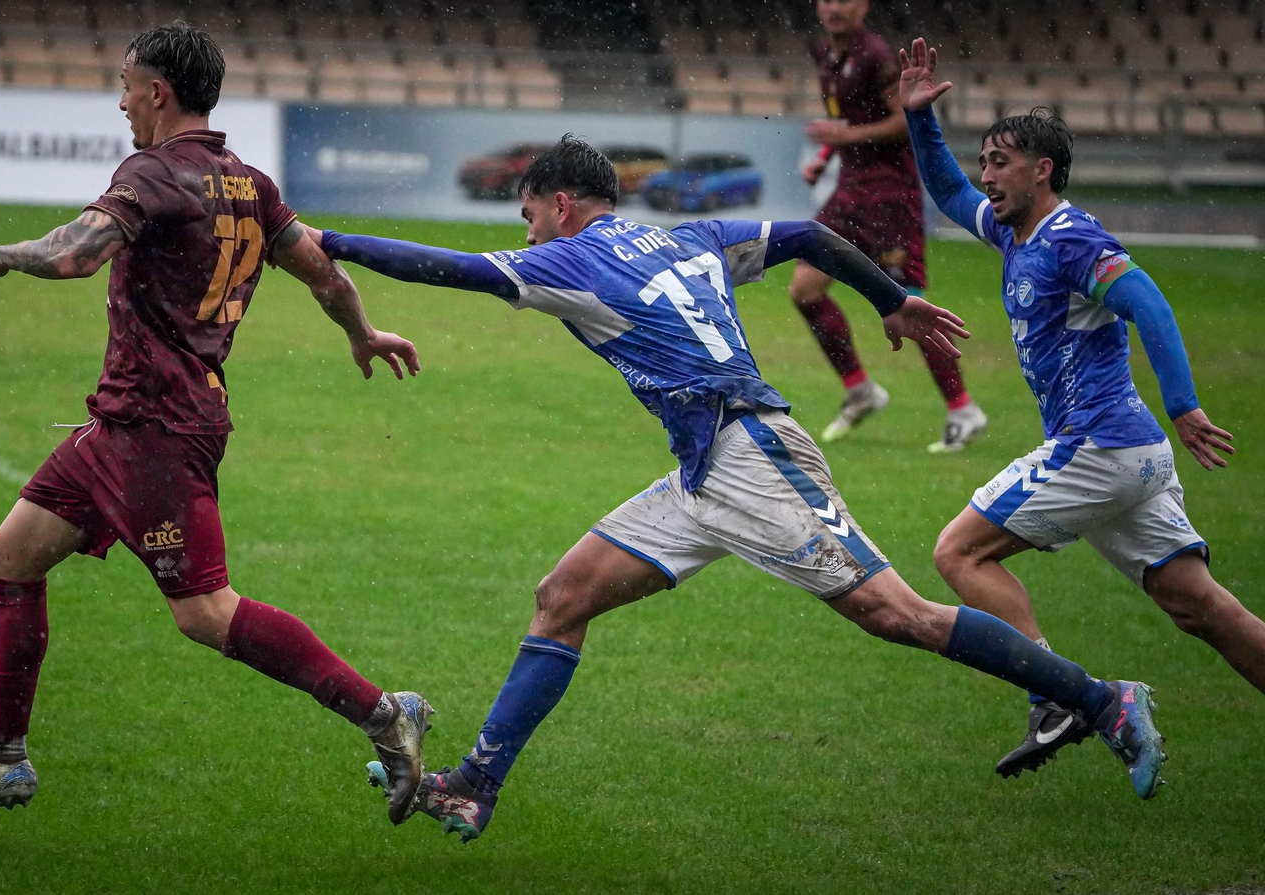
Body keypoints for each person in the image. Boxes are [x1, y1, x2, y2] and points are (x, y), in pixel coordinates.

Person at [320, 136, 1168, 842]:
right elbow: (801, 233)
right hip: (702, 467)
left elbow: (449, 268)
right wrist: (891, 298)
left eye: (530, 214)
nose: (529, 232)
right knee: (563, 595)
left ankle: (1101, 698)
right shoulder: (689, 236)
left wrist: (330, 243)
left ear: (564, 204)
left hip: (754, 454)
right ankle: (475, 781)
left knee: (898, 614)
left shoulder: (572, 259)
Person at [0, 22, 433, 830]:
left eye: (126, 85)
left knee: (206, 613)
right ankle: (4, 757)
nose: (121, 102)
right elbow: (322, 273)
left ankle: (382, 712)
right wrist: (361, 331)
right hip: (125, 420)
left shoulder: (153, 173)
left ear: (157, 91)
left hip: (158, 425)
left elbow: (79, 253)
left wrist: (4, 251)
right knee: (10, 556)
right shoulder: (248, 183)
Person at [899, 37, 1265, 781]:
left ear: (1043, 171)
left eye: (1001, 162)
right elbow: (947, 193)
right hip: (1126, 456)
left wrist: (1187, 404)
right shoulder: (1013, 229)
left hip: (1100, 446)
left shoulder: (1072, 239)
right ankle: (1065, 697)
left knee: (957, 552)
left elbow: (1148, 302)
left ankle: (1058, 696)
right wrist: (918, 122)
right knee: (1200, 608)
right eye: (985, 161)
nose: (986, 175)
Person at [797, 0, 986, 451]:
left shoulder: (876, 55)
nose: (834, 8)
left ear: (862, 5)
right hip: (848, 192)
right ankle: (860, 389)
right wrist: (826, 159)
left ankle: (963, 408)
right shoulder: (827, 53)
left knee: (907, 306)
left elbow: (903, 121)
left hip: (888, 197)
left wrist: (842, 139)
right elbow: (853, 117)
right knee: (805, 288)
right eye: (826, 0)